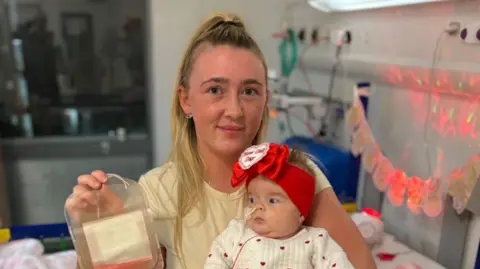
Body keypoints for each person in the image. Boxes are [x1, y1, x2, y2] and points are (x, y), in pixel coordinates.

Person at [66, 12, 376, 269]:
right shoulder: (157, 194)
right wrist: (102, 225)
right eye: (215, 90)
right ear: (186, 100)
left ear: (265, 99)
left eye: (250, 91)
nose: (234, 110)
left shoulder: (292, 172)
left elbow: (361, 265)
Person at [204, 143, 354, 269]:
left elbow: (339, 263)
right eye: (252, 200)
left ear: (300, 213)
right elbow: (215, 261)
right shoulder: (237, 233)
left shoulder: (316, 241)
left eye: (272, 201)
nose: (258, 207)